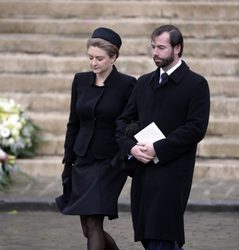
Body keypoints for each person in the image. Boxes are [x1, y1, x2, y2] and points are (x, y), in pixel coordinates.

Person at [116, 24, 210, 250]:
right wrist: (131, 148)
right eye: (152, 47)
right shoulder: (143, 82)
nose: (155, 53)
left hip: (173, 170)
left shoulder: (196, 84)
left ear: (177, 48)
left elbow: (196, 128)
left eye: (161, 47)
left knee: (163, 235)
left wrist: (159, 148)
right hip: (143, 169)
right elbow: (123, 121)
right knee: (148, 235)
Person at [55, 27, 136, 250]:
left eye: (99, 58)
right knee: (88, 229)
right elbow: (73, 123)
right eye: (90, 57)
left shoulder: (128, 84)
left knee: (93, 222)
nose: (93, 63)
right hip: (82, 159)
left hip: (110, 162)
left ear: (114, 57)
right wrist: (68, 161)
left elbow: (132, 122)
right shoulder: (80, 81)